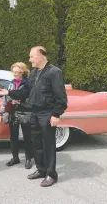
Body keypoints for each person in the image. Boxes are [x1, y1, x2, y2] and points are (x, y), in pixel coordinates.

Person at [26, 46, 68, 187]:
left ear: (42, 56)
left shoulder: (54, 72)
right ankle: (41, 170)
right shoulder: (33, 73)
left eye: (32, 56)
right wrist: (8, 93)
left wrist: (56, 114)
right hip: (34, 112)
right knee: (36, 142)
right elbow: (26, 90)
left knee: (48, 144)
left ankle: (51, 174)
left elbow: (61, 96)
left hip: (47, 113)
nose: (30, 59)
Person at [0, 62, 33, 169]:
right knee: (13, 137)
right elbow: (5, 99)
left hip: (25, 111)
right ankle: (15, 157)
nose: (15, 74)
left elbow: (23, 95)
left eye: (18, 72)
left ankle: (29, 158)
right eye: (14, 72)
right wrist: (1, 112)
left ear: (23, 72)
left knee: (27, 137)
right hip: (13, 112)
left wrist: (15, 98)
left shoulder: (27, 83)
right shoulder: (10, 83)